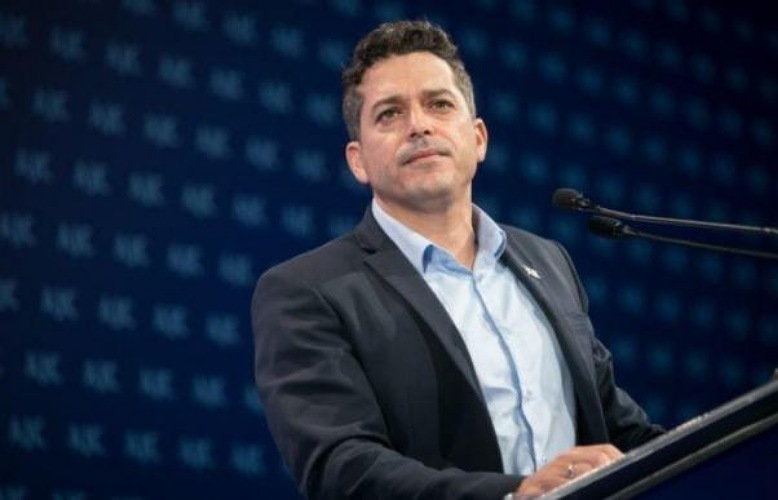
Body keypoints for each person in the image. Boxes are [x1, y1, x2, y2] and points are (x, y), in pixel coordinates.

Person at [251, 19, 664, 500]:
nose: (419, 126)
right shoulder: (307, 291)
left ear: (478, 138)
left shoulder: (549, 261)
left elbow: (619, 429)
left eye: (439, 104)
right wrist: (516, 495)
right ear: (358, 160)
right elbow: (343, 468)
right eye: (389, 114)